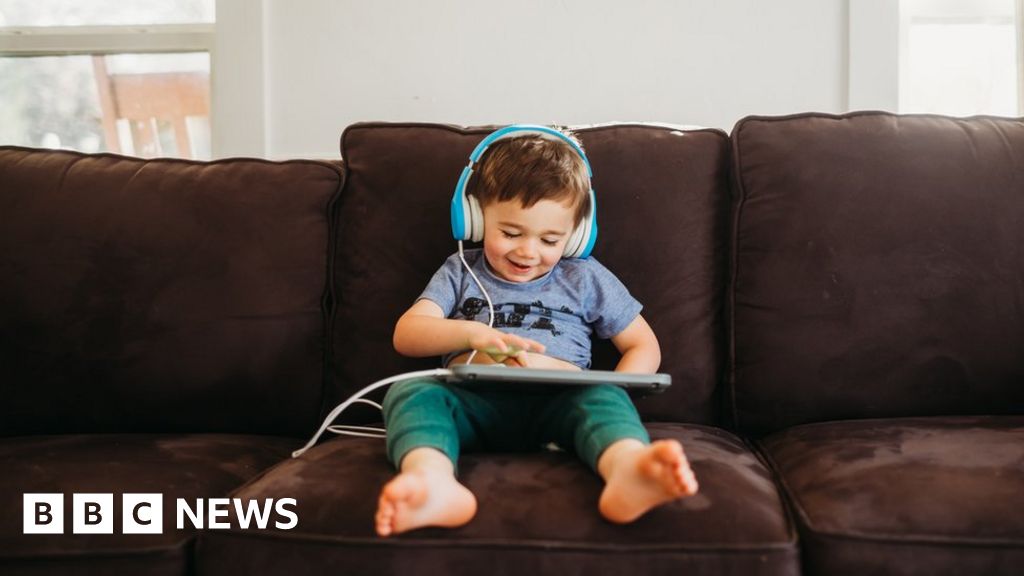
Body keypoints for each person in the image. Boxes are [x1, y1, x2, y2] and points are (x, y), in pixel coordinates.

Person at [374, 128, 699, 537]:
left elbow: (642, 344)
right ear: (475, 217)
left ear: (576, 235)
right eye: (511, 233)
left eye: (549, 239)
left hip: (561, 403)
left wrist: (615, 390)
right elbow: (407, 334)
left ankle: (628, 471)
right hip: (474, 403)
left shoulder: (585, 277)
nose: (528, 252)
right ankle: (431, 482)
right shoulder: (460, 270)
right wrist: (472, 335)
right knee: (411, 393)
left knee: (603, 399)